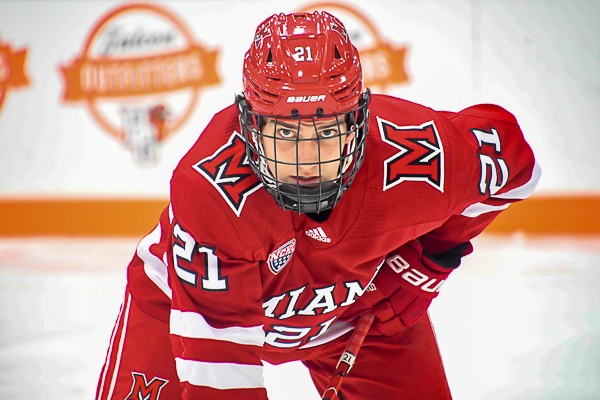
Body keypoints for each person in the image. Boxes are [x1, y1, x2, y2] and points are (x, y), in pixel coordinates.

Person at [96, 11, 540, 400]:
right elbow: (222, 379)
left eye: (327, 131)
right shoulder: (213, 192)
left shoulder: (417, 157)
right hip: (184, 306)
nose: (307, 160)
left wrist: (423, 264)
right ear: (249, 124)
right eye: (285, 133)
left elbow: (516, 162)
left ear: (359, 120)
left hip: (356, 313)